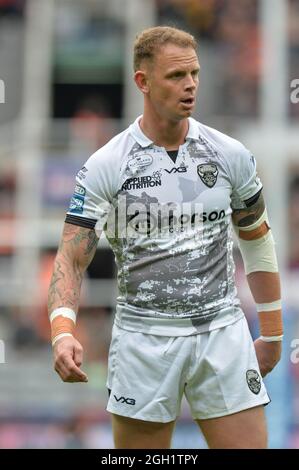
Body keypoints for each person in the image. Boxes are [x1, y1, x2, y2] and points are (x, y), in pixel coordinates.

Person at [48, 26, 283, 449]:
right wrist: (62, 331)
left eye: (194, 73)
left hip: (222, 331)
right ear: (143, 81)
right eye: (176, 76)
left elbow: (258, 242)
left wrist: (272, 333)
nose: (190, 84)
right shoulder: (108, 164)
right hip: (143, 340)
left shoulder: (229, 155)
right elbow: (70, 257)